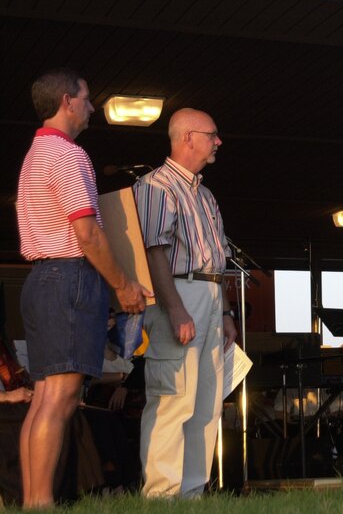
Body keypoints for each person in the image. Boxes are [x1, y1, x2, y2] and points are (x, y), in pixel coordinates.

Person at [15, 68, 151, 508]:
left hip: (41, 279)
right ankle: (40, 503)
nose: (93, 107)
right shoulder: (68, 155)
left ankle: (36, 501)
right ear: (67, 101)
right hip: (69, 275)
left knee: (44, 398)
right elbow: (87, 232)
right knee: (60, 397)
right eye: (88, 98)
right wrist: (124, 285)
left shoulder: (36, 152)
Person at [134, 108, 237, 498]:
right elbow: (154, 252)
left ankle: (192, 493)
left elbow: (216, 259)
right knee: (173, 395)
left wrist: (226, 310)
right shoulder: (157, 186)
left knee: (206, 400)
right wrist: (175, 307)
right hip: (179, 291)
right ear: (188, 138)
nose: (218, 142)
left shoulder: (205, 193)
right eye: (213, 134)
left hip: (208, 292)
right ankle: (162, 494)